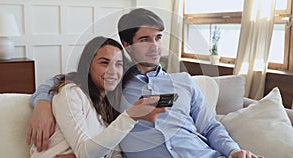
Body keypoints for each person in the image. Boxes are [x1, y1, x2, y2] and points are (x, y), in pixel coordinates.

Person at [27, 8, 264, 158]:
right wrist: (42, 103)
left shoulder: (184, 83)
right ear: (127, 44)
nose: (155, 46)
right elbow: (67, 80)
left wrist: (233, 150)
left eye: (158, 38)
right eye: (144, 39)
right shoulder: (114, 83)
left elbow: (211, 127)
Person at [28, 36, 166, 158]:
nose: (113, 71)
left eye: (119, 64)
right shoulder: (71, 93)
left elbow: (114, 153)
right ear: (88, 66)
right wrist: (131, 116)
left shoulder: (109, 104)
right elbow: (84, 153)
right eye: (104, 63)